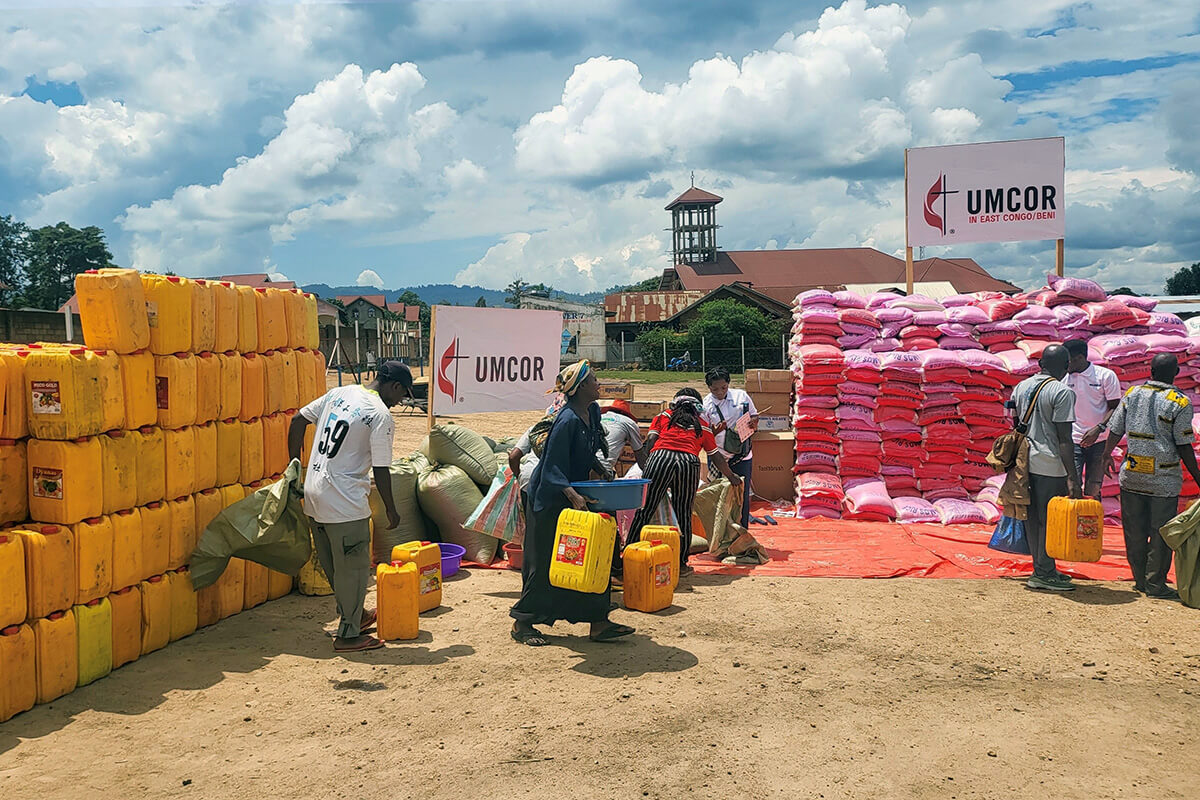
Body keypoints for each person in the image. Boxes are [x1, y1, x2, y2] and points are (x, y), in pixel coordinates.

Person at [288, 361, 413, 652]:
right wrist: (391, 509)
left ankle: (356, 616)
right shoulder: (380, 415)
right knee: (354, 570)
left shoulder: (339, 393)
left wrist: (293, 467)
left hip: (314, 495)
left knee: (336, 567)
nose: (400, 402)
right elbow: (381, 469)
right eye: (402, 395)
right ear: (394, 386)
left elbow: (297, 421)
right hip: (344, 503)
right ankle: (348, 636)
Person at [510, 360, 635, 647]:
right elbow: (551, 466)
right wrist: (573, 495)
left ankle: (598, 623)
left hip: (574, 492)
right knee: (545, 562)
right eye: (593, 380)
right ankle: (522, 622)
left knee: (590, 557)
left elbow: (587, 449)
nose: (598, 383)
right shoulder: (566, 420)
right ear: (579, 388)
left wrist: (600, 468)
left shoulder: (592, 412)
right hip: (550, 499)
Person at [1101, 354, 1200, 600]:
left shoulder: (1132, 394)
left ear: (1151, 371)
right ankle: (1155, 584)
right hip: (1163, 479)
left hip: (1132, 475)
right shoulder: (1180, 401)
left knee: (1134, 530)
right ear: (1176, 372)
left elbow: (1115, 428)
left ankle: (1140, 580)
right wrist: (1198, 477)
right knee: (1161, 531)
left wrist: (1106, 455)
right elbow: (1184, 445)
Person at [626, 387, 743, 577]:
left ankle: (628, 555)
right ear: (697, 406)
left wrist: (648, 467)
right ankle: (680, 564)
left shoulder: (663, 416)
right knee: (683, 514)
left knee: (645, 509)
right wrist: (731, 476)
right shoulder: (702, 425)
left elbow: (651, 441)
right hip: (688, 463)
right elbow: (716, 457)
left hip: (660, 458)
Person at [1012, 345, 1082, 592]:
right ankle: (1043, 573)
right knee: (1048, 520)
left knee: (1033, 518)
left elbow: (1015, 423)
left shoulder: (1021, 386)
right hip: (1050, 465)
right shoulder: (1062, 392)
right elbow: (1065, 439)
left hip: (1025, 462)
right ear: (1066, 367)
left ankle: (1043, 567)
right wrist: (1073, 477)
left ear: (1041, 363)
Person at [1064, 339, 1122, 499]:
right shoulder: (1064, 378)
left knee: (1094, 488)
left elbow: (1115, 407)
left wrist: (1099, 428)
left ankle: (1093, 515)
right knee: (1072, 488)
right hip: (1073, 441)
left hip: (1099, 442)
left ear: (1080, 358)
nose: (1066, 365)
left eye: (1068, 360)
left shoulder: (1105, 376)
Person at [702, 367, 758, 530]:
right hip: (718, 456)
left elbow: (754, 415)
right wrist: (715, 431)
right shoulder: (706, 404)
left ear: (728, 383)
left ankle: (742, 531)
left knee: (742, 495)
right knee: (719, 496)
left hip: (742, 454)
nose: (720, 392)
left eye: (723, 387)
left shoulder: (741, 396)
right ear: (709, 387)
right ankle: (721, 533)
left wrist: (753, 422)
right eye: (715, 389)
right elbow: (704, 433)